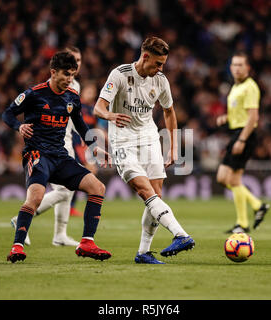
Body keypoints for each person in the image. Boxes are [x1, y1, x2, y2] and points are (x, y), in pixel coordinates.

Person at [93, 36, 195, 264]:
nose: (160, 68)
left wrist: (172, 146)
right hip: (123, 141)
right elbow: (98, 107)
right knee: (143, 190)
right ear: (145, 56)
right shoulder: (120, 74)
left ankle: (143, 253)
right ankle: (181, 234)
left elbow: (169, 112)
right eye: (158, 63)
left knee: (156, 195)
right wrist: (110, 115)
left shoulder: (160, 80)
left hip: (149, 137)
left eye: (163, 64)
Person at [3, 51, 112, 263]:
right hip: (37, 154)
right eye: (66, 74)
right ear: (53, 72)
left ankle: (87, 243)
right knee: (35, 197)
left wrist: (94, 148)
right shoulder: (34, 93)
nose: (70, 79)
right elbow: (8, 113)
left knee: (97, 187)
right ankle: (17, 246)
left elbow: (81, 125)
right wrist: (19, 126)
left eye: (72, 74)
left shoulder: (72, 96)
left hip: (60, 156)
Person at [10, 46, 83, 248]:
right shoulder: (45, 90)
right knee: (60, 190)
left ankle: (60, 235)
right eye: (72, 60)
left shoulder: (74, 86)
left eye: (78, 60)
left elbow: (77, 120)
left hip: (65, 141)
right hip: (48, 144)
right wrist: (20, 127)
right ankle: (24, 218)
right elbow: (11, 112)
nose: (75, 65)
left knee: (67, 190)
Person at [216, 52, 270, 234]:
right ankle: (257, 205)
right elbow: (238, 113)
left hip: (244, 134)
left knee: (232, 179)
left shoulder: (250, 87)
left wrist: (242, 139)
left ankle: (243, 223)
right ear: (230, 68)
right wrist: (227, 118)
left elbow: (253, 117)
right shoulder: (235, 87)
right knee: (223, 178)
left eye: (241, 65)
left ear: (248, 68)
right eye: (234, 65)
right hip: (236, 132)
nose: (237, 68)